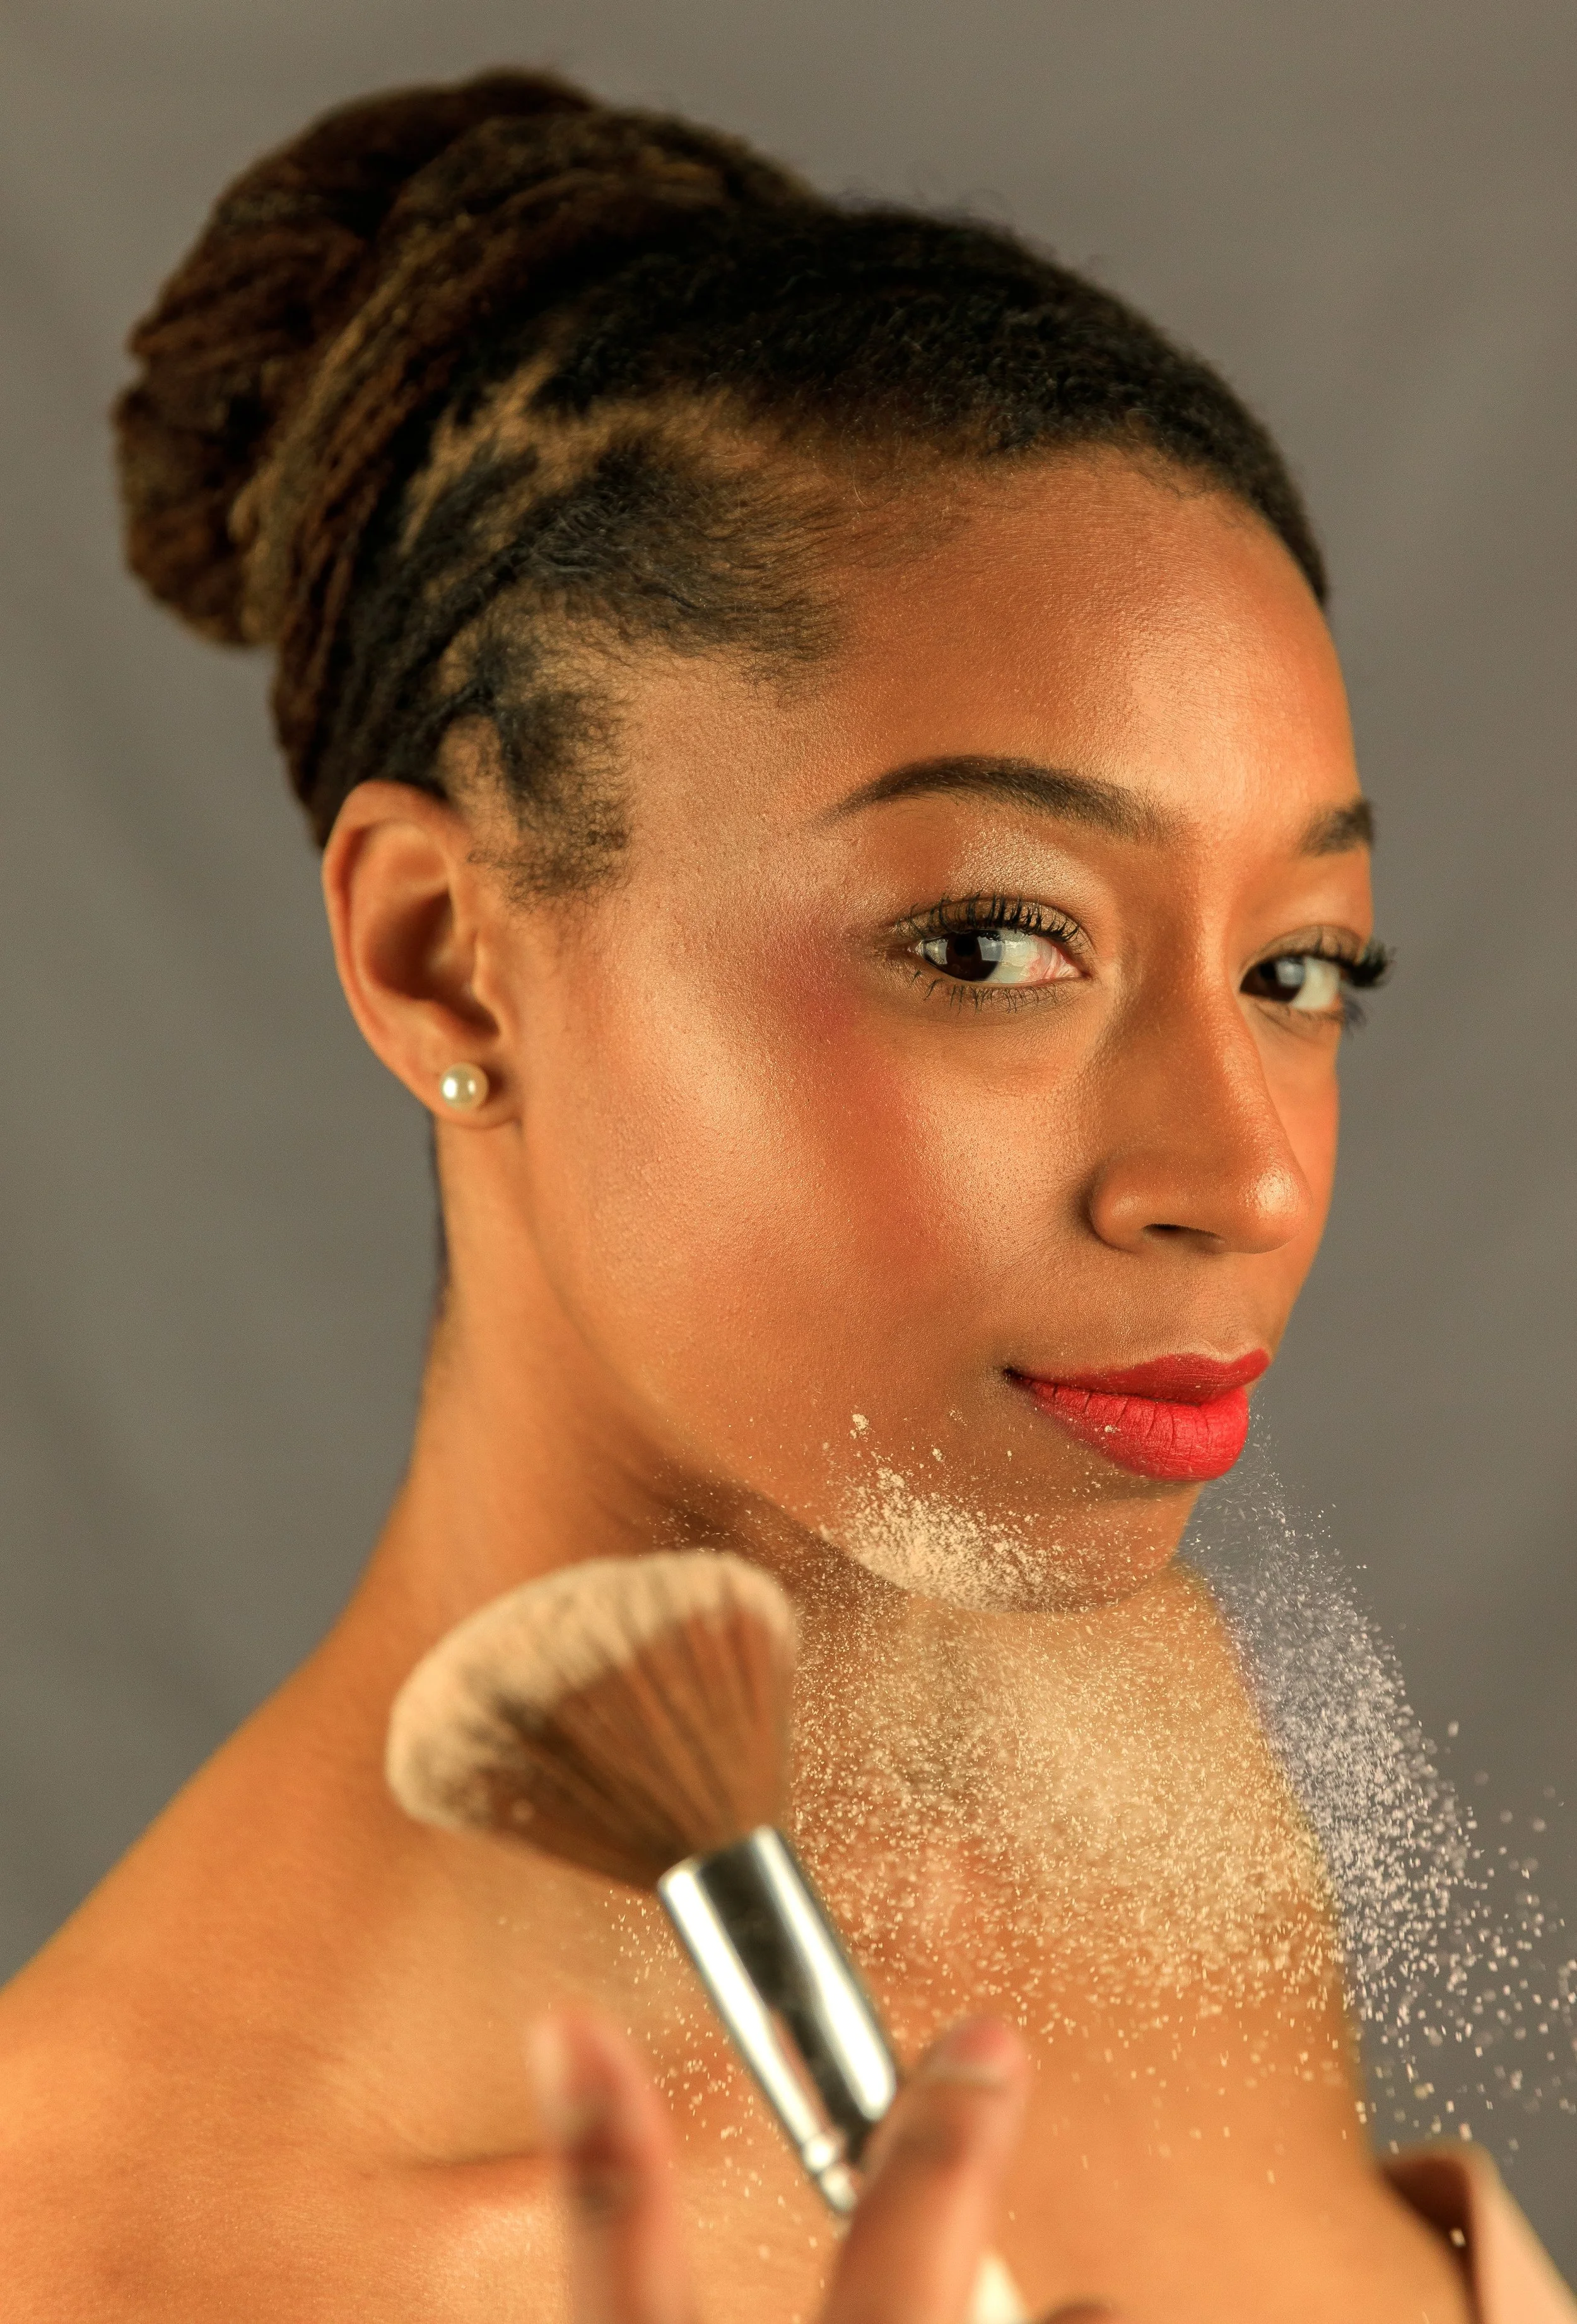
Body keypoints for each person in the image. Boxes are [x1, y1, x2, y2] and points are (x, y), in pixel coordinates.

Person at [0, 67, 1567, 2323]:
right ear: (445, 950)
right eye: (991, 943)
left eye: (1298, 965)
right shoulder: (145, 2256)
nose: (1244, 1170)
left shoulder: (1118, 1727)